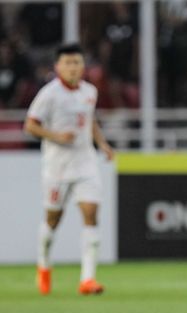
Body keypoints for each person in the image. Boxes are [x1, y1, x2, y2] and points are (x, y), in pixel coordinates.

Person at [24, 43, 114, 295]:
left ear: (83, 66)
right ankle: (43, 265)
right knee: (53, 220)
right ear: (58, 67)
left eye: (77, 63)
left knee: (91, 213)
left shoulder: (89, 91)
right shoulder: (48, 94)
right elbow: (30, 126)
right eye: (68, 63)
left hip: (86, 162)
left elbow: (89, 119)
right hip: (57, 167)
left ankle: (87, 279)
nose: (73, 67)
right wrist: (55, 135)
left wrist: (102, 144)